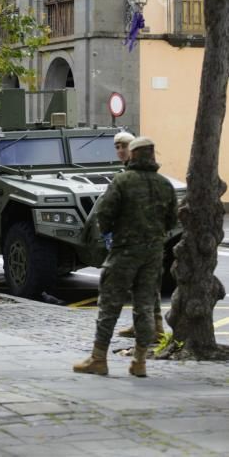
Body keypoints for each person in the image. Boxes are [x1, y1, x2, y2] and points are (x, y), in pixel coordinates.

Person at [73, 137, 177, 378]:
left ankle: (98, 358)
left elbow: (104, 214)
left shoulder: (122, 181)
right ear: (152, 156)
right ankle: (139, 362)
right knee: (144, 306)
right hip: (152, 255)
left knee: (109, 304)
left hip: (123, 253)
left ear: (134, 154)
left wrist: (114, 232)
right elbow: (172, 221)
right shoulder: (165, 185)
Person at [113, 132, 165, 342]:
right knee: (141, 286)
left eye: (123, 146)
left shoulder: (141, 174)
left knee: (146, 285)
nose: (120, 150)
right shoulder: (125, 172)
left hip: (143, 240)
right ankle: (143, 325)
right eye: (117, 146)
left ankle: (155, 327)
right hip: (139, 239)